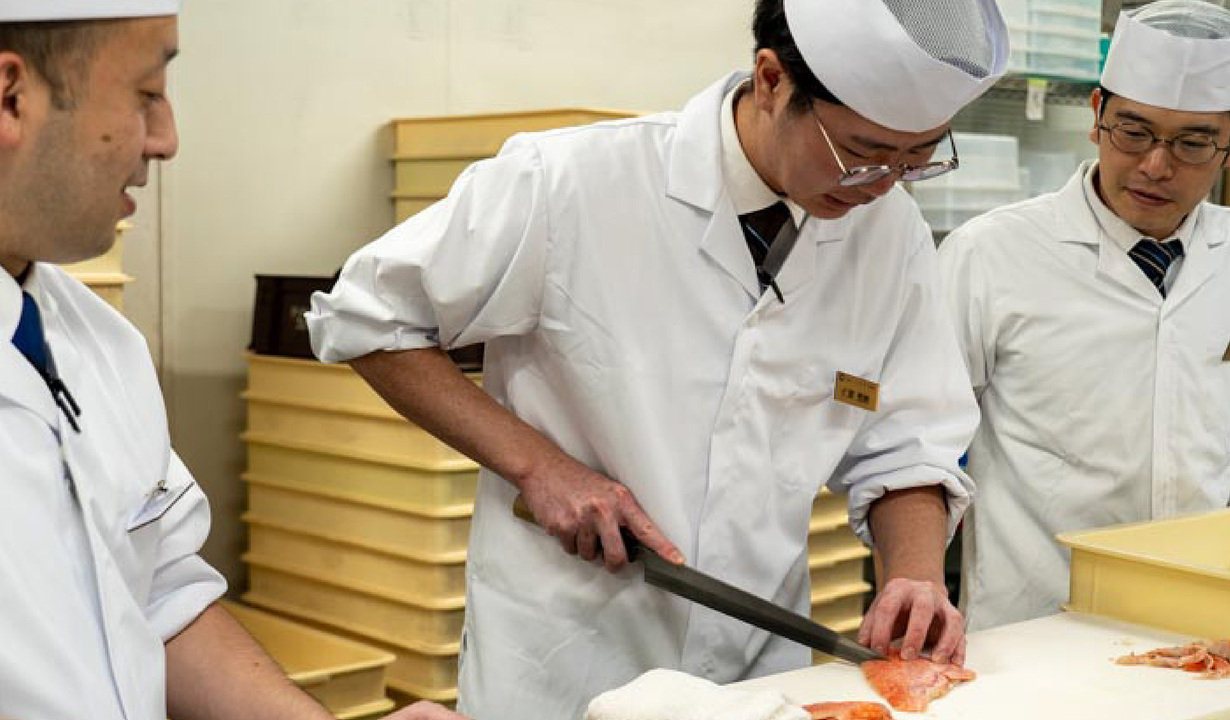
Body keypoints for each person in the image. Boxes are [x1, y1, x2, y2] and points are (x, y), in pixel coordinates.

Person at [309, 0, 1007, 716]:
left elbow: (907, 442)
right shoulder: (572, 180)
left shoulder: (889, 234)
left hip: (758, 667)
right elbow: (369, 315)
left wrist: (916, 575)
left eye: (916, 158)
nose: (882, 184)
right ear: (771, 81)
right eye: (859, 152)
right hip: (571, 657)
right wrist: (538, 466)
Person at [0, 3, 466, 719]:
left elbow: (158, 596)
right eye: (146, 94)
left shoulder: (100, 344)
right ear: (10, 96)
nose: (166, 139)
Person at [937, 0, 1230, 632]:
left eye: (1193, 142)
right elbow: (920, 445)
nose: (1156, 165)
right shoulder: (990, 254)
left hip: (1208, 630)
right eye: (1134, 131)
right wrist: (920, 579)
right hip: (1035, 628)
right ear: (1097, 117)